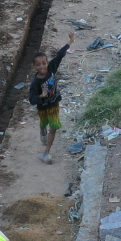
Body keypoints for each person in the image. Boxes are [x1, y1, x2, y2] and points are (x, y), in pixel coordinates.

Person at [29, 32, 74, 163]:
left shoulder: (52, 68)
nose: (42, 67)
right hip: (43, 108)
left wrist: (70, 41)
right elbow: (32, 99)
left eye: (44, 63)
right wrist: (40, 96)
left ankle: (46, 153)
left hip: (54, 105)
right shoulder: (35, 83)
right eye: (38, 65)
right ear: (34, 67)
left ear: (47, 62)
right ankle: (42, 130)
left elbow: (60, 55)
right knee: (44, 124)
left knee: (53, 127)